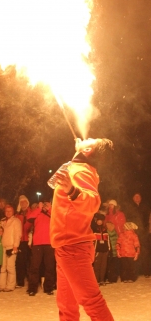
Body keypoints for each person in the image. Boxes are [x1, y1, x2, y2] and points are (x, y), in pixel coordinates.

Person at [49, 137, 114, 321]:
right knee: (66, 305)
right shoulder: (77, 167)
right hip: (67, 245)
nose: (86, 138)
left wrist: (72, 190)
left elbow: (93, 202)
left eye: (90, 140)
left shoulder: (81, 171)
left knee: (92, 302)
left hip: (73, 246)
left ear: (87, 151)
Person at [27, 198, 56, 296]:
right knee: (34, 267)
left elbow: (57, 219)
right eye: (44, 204)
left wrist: (50, 208)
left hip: (49, 243)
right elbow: (29, 218)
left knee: (50, 267)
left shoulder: (52, 213)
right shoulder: (37, 213)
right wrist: (39, 209)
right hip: (37, 243)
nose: (45, 205)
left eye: (47, 204)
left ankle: (48, 287)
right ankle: (32, 288)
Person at [125, 192, 151, 277]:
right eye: (135, 196)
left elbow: (148, 219)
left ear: (141, 198)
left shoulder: (145, 207)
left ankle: (146, 271)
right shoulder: (130, 207)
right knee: (134, 251)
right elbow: (127, 219)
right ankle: (135, 272)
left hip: (144, 232)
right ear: (133, 198)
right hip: (134, 232)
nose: (137, 198)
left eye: (138, 196)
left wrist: (148, 230)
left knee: (145, 252)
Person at [0, 204, 22, 292]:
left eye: (10, 211)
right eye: (6, 211)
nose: (8, 213)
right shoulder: (3, 221)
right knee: (3, 267)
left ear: (13, 212)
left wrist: (15, 246)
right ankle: (1, 285)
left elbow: (17, 234)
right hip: (3, 246)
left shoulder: (16, 221)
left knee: (10, 267)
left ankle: (10, 285)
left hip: (11, 247)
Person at [15, 195, 32, 288]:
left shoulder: (32, 212)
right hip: (21, 241)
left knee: (30, 261)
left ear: (27, 202)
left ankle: (31, 281)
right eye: (21, 202)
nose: (23, 204)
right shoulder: (17, 215)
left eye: (24, 202)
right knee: (20, 262)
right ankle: (20, 281)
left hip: (30, 240)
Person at [92, 213, 110, 286]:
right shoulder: (94, 229)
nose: (100, 222)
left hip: (104, 250)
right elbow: (93, 241)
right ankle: (96, 280)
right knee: (97, 266)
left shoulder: (104, 229)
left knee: (103, 266)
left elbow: (107, 240)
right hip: (97, 250)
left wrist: (109, 249)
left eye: (101, 221)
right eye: (98, 221)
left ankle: (102, 280)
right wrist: (93, 250)